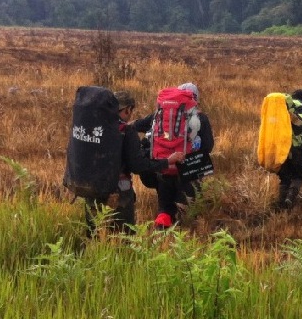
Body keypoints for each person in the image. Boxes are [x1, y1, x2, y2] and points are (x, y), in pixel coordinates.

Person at [84, 90, 184, 236]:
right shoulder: (126, 131)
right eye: (131, 110)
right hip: (117, 192)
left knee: (94, 235)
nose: (131, 115)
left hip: (90, 188)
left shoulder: (92, 127)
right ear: (126, 109)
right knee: (124, 237)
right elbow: (138, 166)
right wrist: (167, 162)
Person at [133, 82, 214, 229]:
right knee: (185, 213)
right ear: (195, 99)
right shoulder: (201, 118)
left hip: (164, 168)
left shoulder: (160, 115)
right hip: (189, 171)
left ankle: (160, 237)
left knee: (165, 208)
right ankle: (180, 240)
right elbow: (208, 147)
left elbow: (135, 126)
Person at [274, 94, 302, 209]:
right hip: (297, 152)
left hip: (281, 153)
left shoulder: (276, 120)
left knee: (284, 178)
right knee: (297, 176)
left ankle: (281, 203)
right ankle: (290, 198)